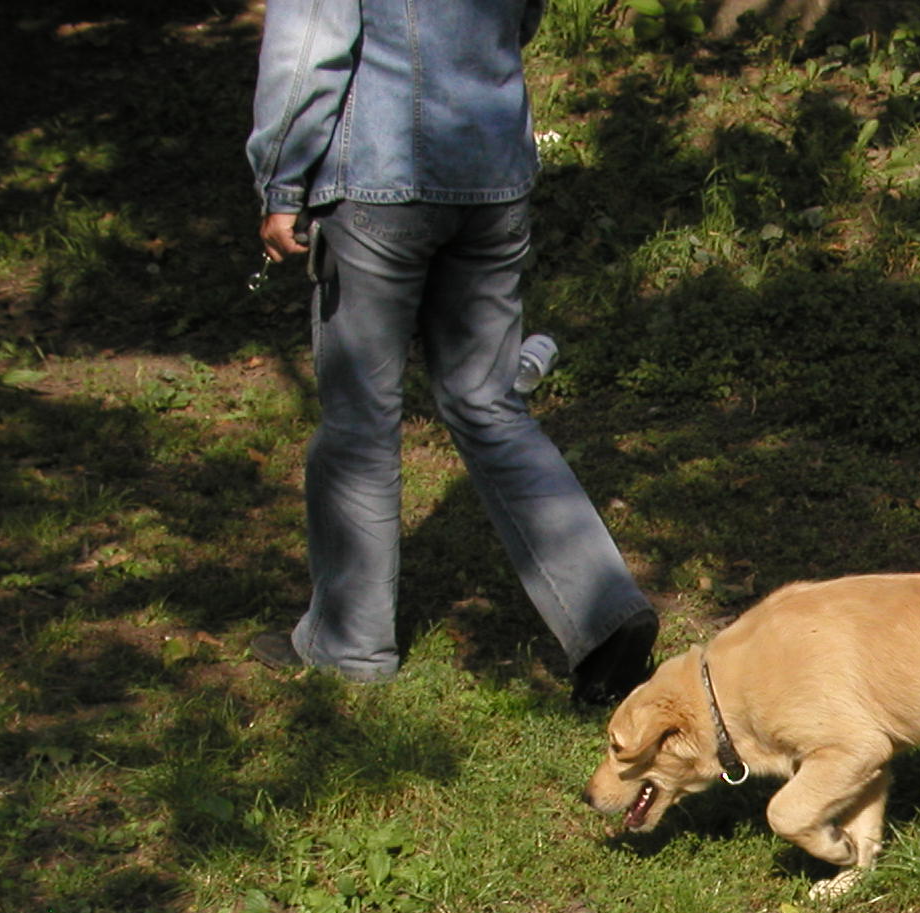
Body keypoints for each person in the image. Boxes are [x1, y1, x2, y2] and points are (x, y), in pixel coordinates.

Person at [245, 0, 657, 703]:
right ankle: (604, 614)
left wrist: (282, 180)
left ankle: (349, 644)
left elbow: (308, 46)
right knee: (489, 403)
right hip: (493, 173)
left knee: (360, 419)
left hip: (378, 177)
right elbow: (523, 18)